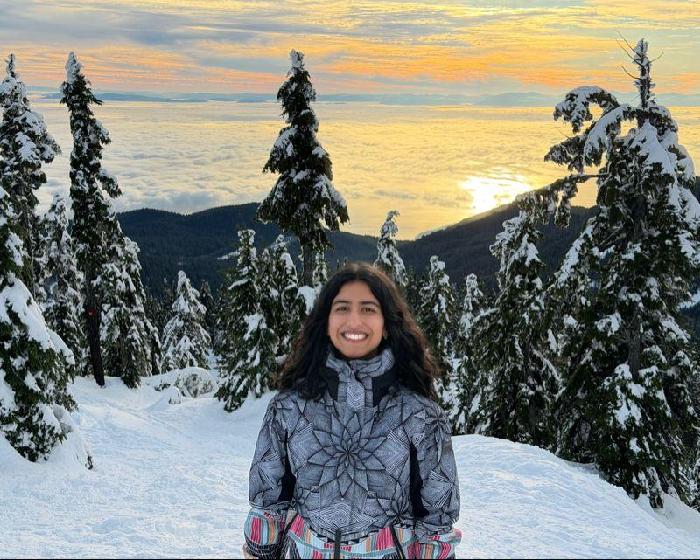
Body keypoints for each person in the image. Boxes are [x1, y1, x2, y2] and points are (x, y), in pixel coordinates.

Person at [243, 263, 461, 559]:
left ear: (387, 324)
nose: (354, 320)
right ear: (326, 321)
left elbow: (437, 515)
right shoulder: (290, 406)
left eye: (368, 309)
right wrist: (260, 549)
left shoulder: (418, 413)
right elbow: (267, 499)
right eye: (342, 308)